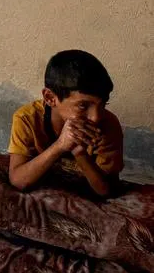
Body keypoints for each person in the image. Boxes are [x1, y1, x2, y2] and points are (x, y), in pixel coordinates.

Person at [7, 50, 123, 197]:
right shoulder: (27, 118)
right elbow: (18, 180)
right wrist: (60, 145)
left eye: (102, 105)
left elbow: (107, 191)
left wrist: (80, 153)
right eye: (83, 106)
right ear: (50, 98)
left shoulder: (108, 125)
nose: (95, 117)